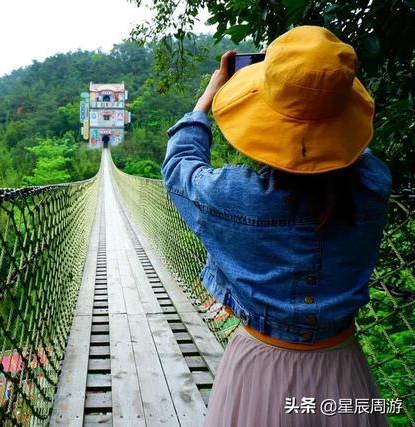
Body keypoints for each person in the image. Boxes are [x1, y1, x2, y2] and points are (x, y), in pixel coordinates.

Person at [161, 26, 391, 426]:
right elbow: (353, 151)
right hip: (342, 370)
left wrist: (209, 95)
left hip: (260, 368)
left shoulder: (230, 195)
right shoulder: (374, 185)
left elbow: (179, 168)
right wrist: (323, 96)